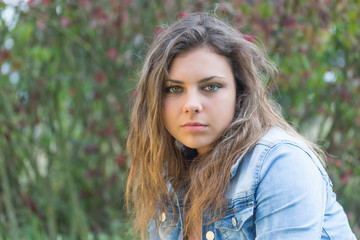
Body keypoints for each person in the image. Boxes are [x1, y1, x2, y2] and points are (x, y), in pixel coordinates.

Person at [126, 13, 356, 240]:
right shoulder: (172, 178)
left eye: (211, 86)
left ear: (240, 91)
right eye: (174, 89)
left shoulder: (280, 163)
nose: (191, 105)